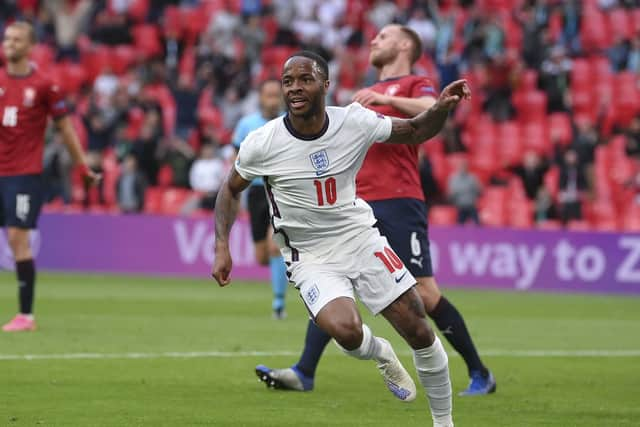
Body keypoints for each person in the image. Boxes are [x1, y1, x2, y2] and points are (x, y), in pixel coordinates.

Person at [213, 50, 471, 427]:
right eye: (288, 82)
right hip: (310, 255)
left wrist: (443, 107)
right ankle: (380, 353)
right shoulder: (262, 142)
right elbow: (229, 190)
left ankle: (444, 423)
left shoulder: (353, 122)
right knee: (347, 331)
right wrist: (222, 245)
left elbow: (415, 130)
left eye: (304, 80)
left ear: (325, 85)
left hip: (360, 240)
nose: (295, 88)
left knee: (418, 326)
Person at [256, 25, 496, 397]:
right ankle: (304, 371)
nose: (373, 41)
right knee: (331, 280)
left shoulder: (415, 83)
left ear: (404, 45)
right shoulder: (365, 94)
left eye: (383, 37)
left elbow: (428, 112)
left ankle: (480, 372)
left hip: (399, 199)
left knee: (425, 294)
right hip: (355, 204)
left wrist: (387, 99)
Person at [1, 21, 99, 332]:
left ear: (30, 47)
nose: (10, 43)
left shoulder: (45, 85)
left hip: (24, 174)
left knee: (18, 238)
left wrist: (82, 166)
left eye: (17, 39)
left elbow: (66, 129)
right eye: (7, 38)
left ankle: (25, 316)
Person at [231, 79, 289, 319]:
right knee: (262, 256)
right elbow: (236, 159)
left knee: (275, 246)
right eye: (269, 95)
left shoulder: (290, 122)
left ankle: (278, 304)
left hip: (280, 188)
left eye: (277, 95)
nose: (273, 100)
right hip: (255, 191)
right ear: (261, 97)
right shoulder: (247, 125)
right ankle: (285, 273)